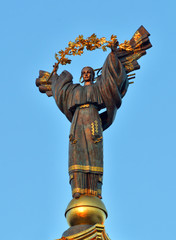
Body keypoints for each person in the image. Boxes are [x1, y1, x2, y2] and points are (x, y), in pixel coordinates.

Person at [50, 49, 129, 199]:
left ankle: (95, 190)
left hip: (93, 120)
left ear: (93, 74)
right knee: (76, 154)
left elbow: (110, 81)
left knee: (94, 154)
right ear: (81, 75)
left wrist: (113, 55)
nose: (86, 74)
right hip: (78, 122)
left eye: (89, 72)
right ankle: (77, 189)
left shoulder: (98, 88)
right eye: (84, 72)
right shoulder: (75, 90)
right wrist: (54, 75)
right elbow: (60, 92)